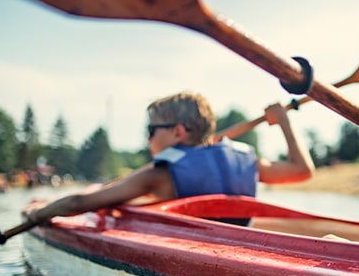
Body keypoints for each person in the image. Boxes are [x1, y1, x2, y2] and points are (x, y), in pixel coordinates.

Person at [25, 91, 314, 223]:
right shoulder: (245, 161)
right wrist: (284, 123)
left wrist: (38, 213)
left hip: (193, 258)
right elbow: (302, 171)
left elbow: (80, 203)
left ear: (177, 132)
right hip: (241, 249)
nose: (147, 138)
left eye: (151, 129)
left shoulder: (158, 175)